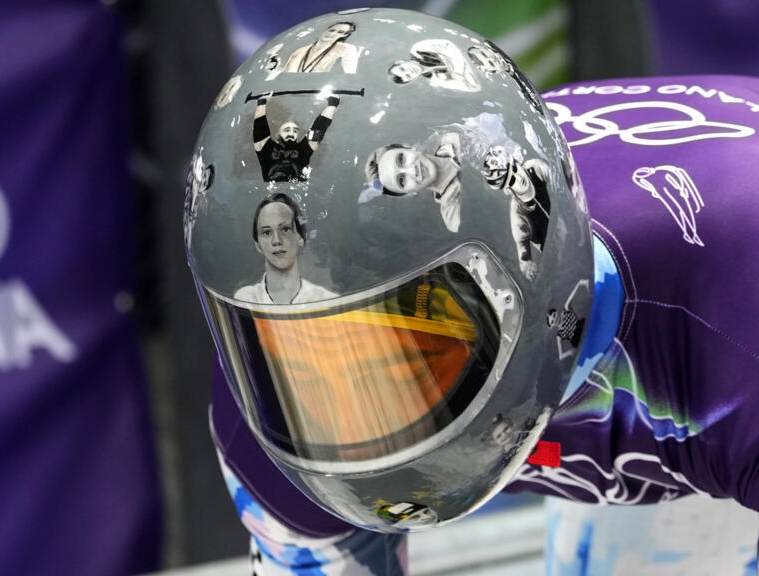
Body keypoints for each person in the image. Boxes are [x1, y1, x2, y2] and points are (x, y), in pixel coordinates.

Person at [187, 9, 759, 575]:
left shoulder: (738, 323)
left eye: (411, 349)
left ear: (531, 276)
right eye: (306, 359)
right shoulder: (261, 369)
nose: (351, 414)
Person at [233, 193, 337, 305]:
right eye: (267, 232)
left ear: (301, 239)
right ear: (258, 245)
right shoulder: (246, 299)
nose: (276, 240)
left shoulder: (326, 300)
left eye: (285, 229)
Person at [364, 133, 462, 231]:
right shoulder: (454, 219)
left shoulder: (454, 138)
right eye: (402, 180)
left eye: (401, 159)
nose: (412, 170)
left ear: (410, 148)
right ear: (409, 193)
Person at [482, 146, 552, 280]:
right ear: (506, 190)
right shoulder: (517, 213)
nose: (518, 180)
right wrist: (529, 267)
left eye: (514, 170)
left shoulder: (536, 168)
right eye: (511, 182)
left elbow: (560, 186)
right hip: (556, 250)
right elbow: (523, 255)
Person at [253, 93, 340, 182]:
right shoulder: (266, 149)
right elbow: (260, 128)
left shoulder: (303, 150)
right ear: (278, 135)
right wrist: (262, 102)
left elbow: (319, 129)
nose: (291, 133)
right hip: (274, 188)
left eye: (295, 131)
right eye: (287, 130)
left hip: (296, 188)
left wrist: (333, 104)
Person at [282, 21, 359, 74]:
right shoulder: (300, 51)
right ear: (325, 30)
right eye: (331, 30)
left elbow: (349, 74)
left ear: (344, 36)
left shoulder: (346, 49)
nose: (332, 34)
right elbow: (286, 75)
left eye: (340, 32)